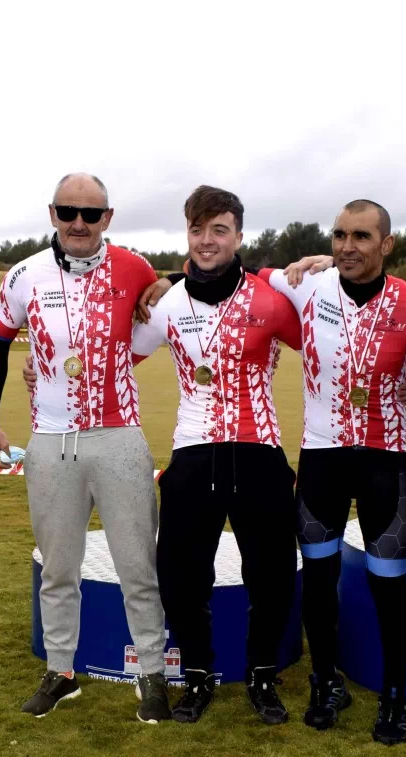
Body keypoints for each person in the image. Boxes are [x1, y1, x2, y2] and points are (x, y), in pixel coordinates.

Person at [0, 173, 170, 722]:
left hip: (119, 437)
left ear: (108, 217)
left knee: (139, 566)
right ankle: (61, 672)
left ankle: (152, 675)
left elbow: (173, 308)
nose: (78, 224)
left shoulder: (135, 269)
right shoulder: (23, 275)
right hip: (51, 440)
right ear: (52, 214)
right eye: (68, 212)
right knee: (59, 567)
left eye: (91, 214)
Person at [253, 200, 406, 744]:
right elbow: (235, 277)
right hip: (322, 460)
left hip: (384, 461)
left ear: (386, 244)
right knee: (320, 583)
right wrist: (156, 284)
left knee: (388, 585)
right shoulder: (307, 287)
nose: (347, 246)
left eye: (361, 236)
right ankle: (323, 683)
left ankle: (396, 695)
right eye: (339, 235)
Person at [131, 186, 302, 725]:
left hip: (259, 451)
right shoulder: (167, 303)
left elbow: (326, 344)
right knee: (182, 575)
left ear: (239, 236)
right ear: (188, 234)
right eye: (198, 230)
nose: (207, 241)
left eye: (219, 230)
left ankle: (261, 676)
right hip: (194, 452)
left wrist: (314, 266)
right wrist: (39, 373)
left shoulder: (272, 298)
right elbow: (118, 357)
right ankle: (199, 677)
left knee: (271, 574)